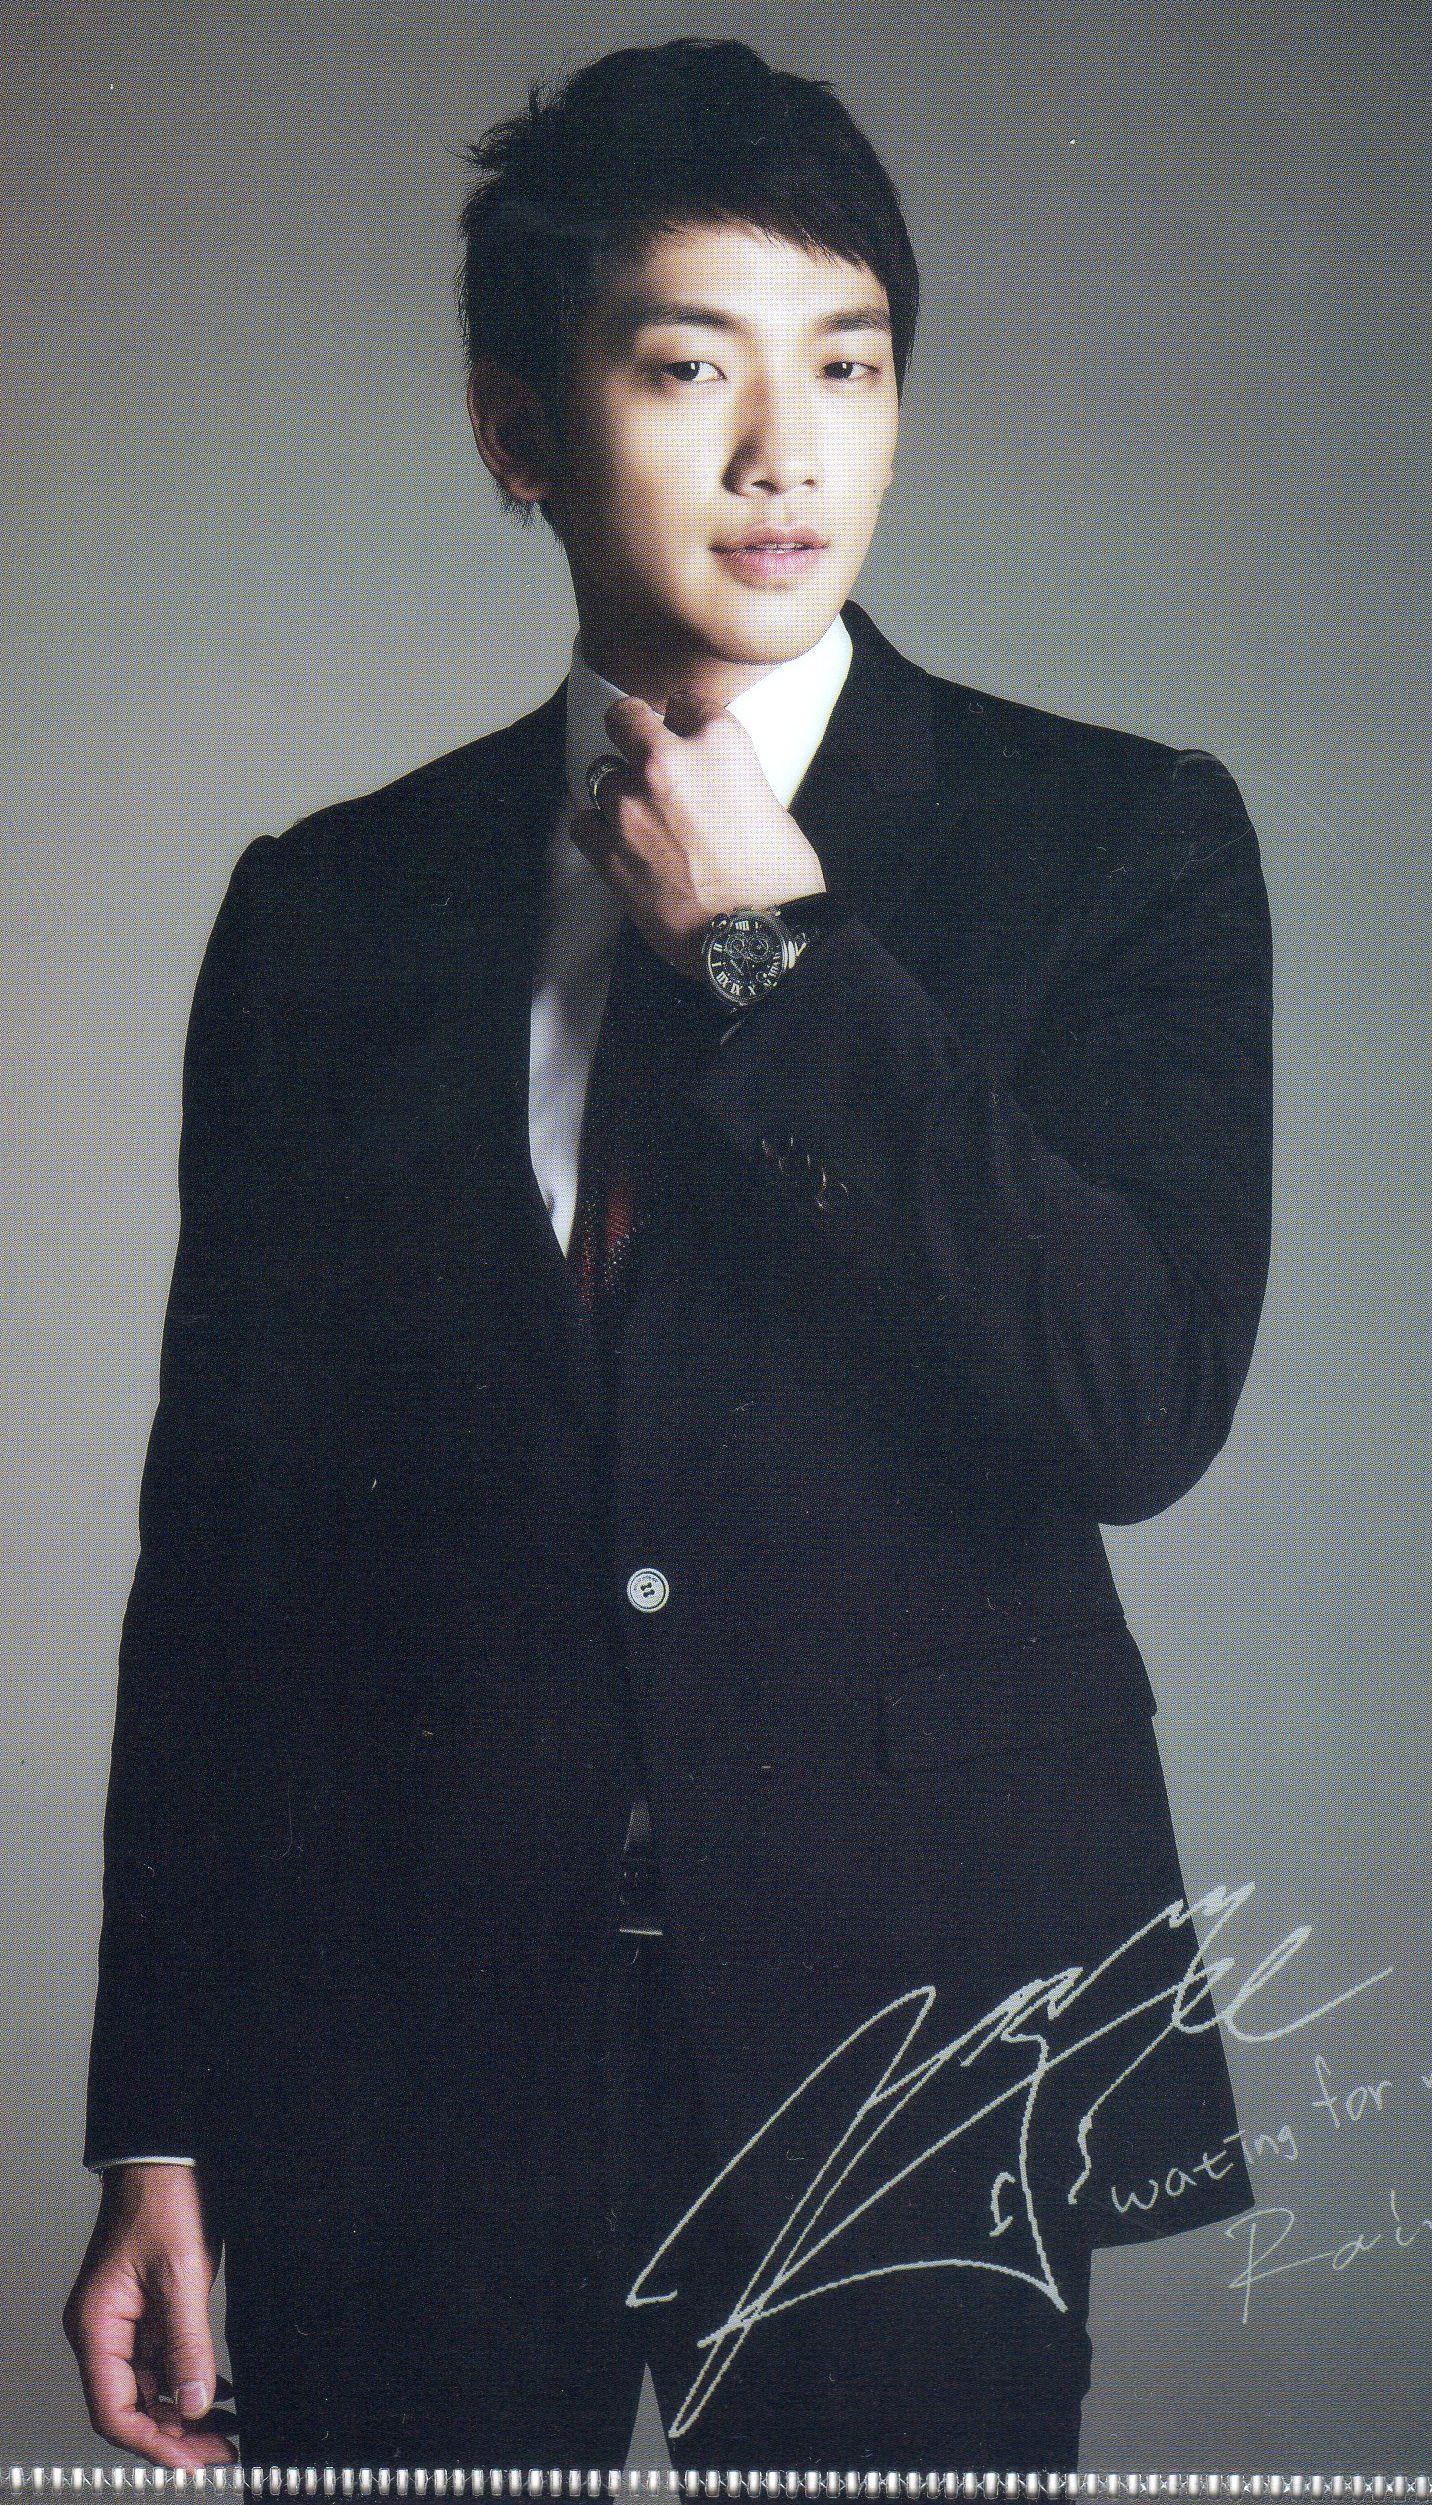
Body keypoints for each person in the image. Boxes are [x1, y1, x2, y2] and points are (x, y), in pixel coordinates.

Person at [66, 37, 1272, 2475]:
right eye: (688, 368)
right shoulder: (327, 906)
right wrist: (159, 2115)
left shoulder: (1117, 839)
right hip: (408, 2045)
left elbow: (1132, 1395)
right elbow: (229, 1548)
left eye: (849, 366)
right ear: (519, 431)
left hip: (908, 2035)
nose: (783, 453)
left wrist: (771, 959)